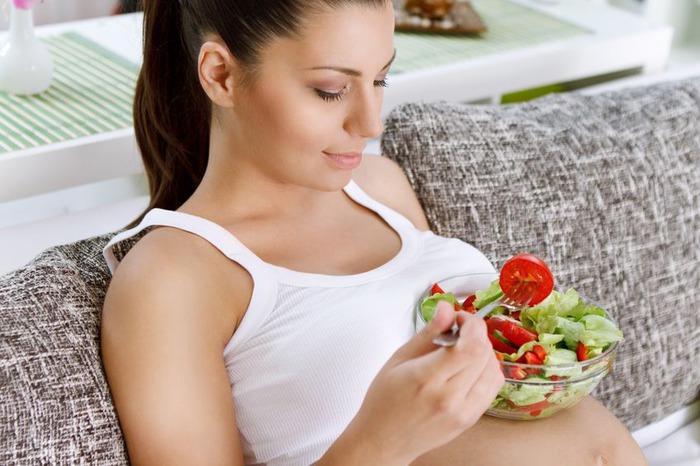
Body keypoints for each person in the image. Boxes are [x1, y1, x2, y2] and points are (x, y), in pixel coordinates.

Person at [100, 1, 649, 464]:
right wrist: (380, 440)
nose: (371, 123)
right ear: (221, 74)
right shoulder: (172, 277)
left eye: (380, 79)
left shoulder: (379, 187)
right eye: (330, 89)